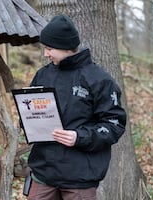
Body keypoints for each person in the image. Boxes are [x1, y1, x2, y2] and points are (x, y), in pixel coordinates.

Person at [25, 14, 127, 200]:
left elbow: (114, 124)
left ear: (65, 47)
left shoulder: (99, 80)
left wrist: (79, 137)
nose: (46, 54)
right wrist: (28, 121)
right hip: (44, 171)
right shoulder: (43, 75)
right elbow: (30, 112)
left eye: (49, 48)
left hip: (80, 175)